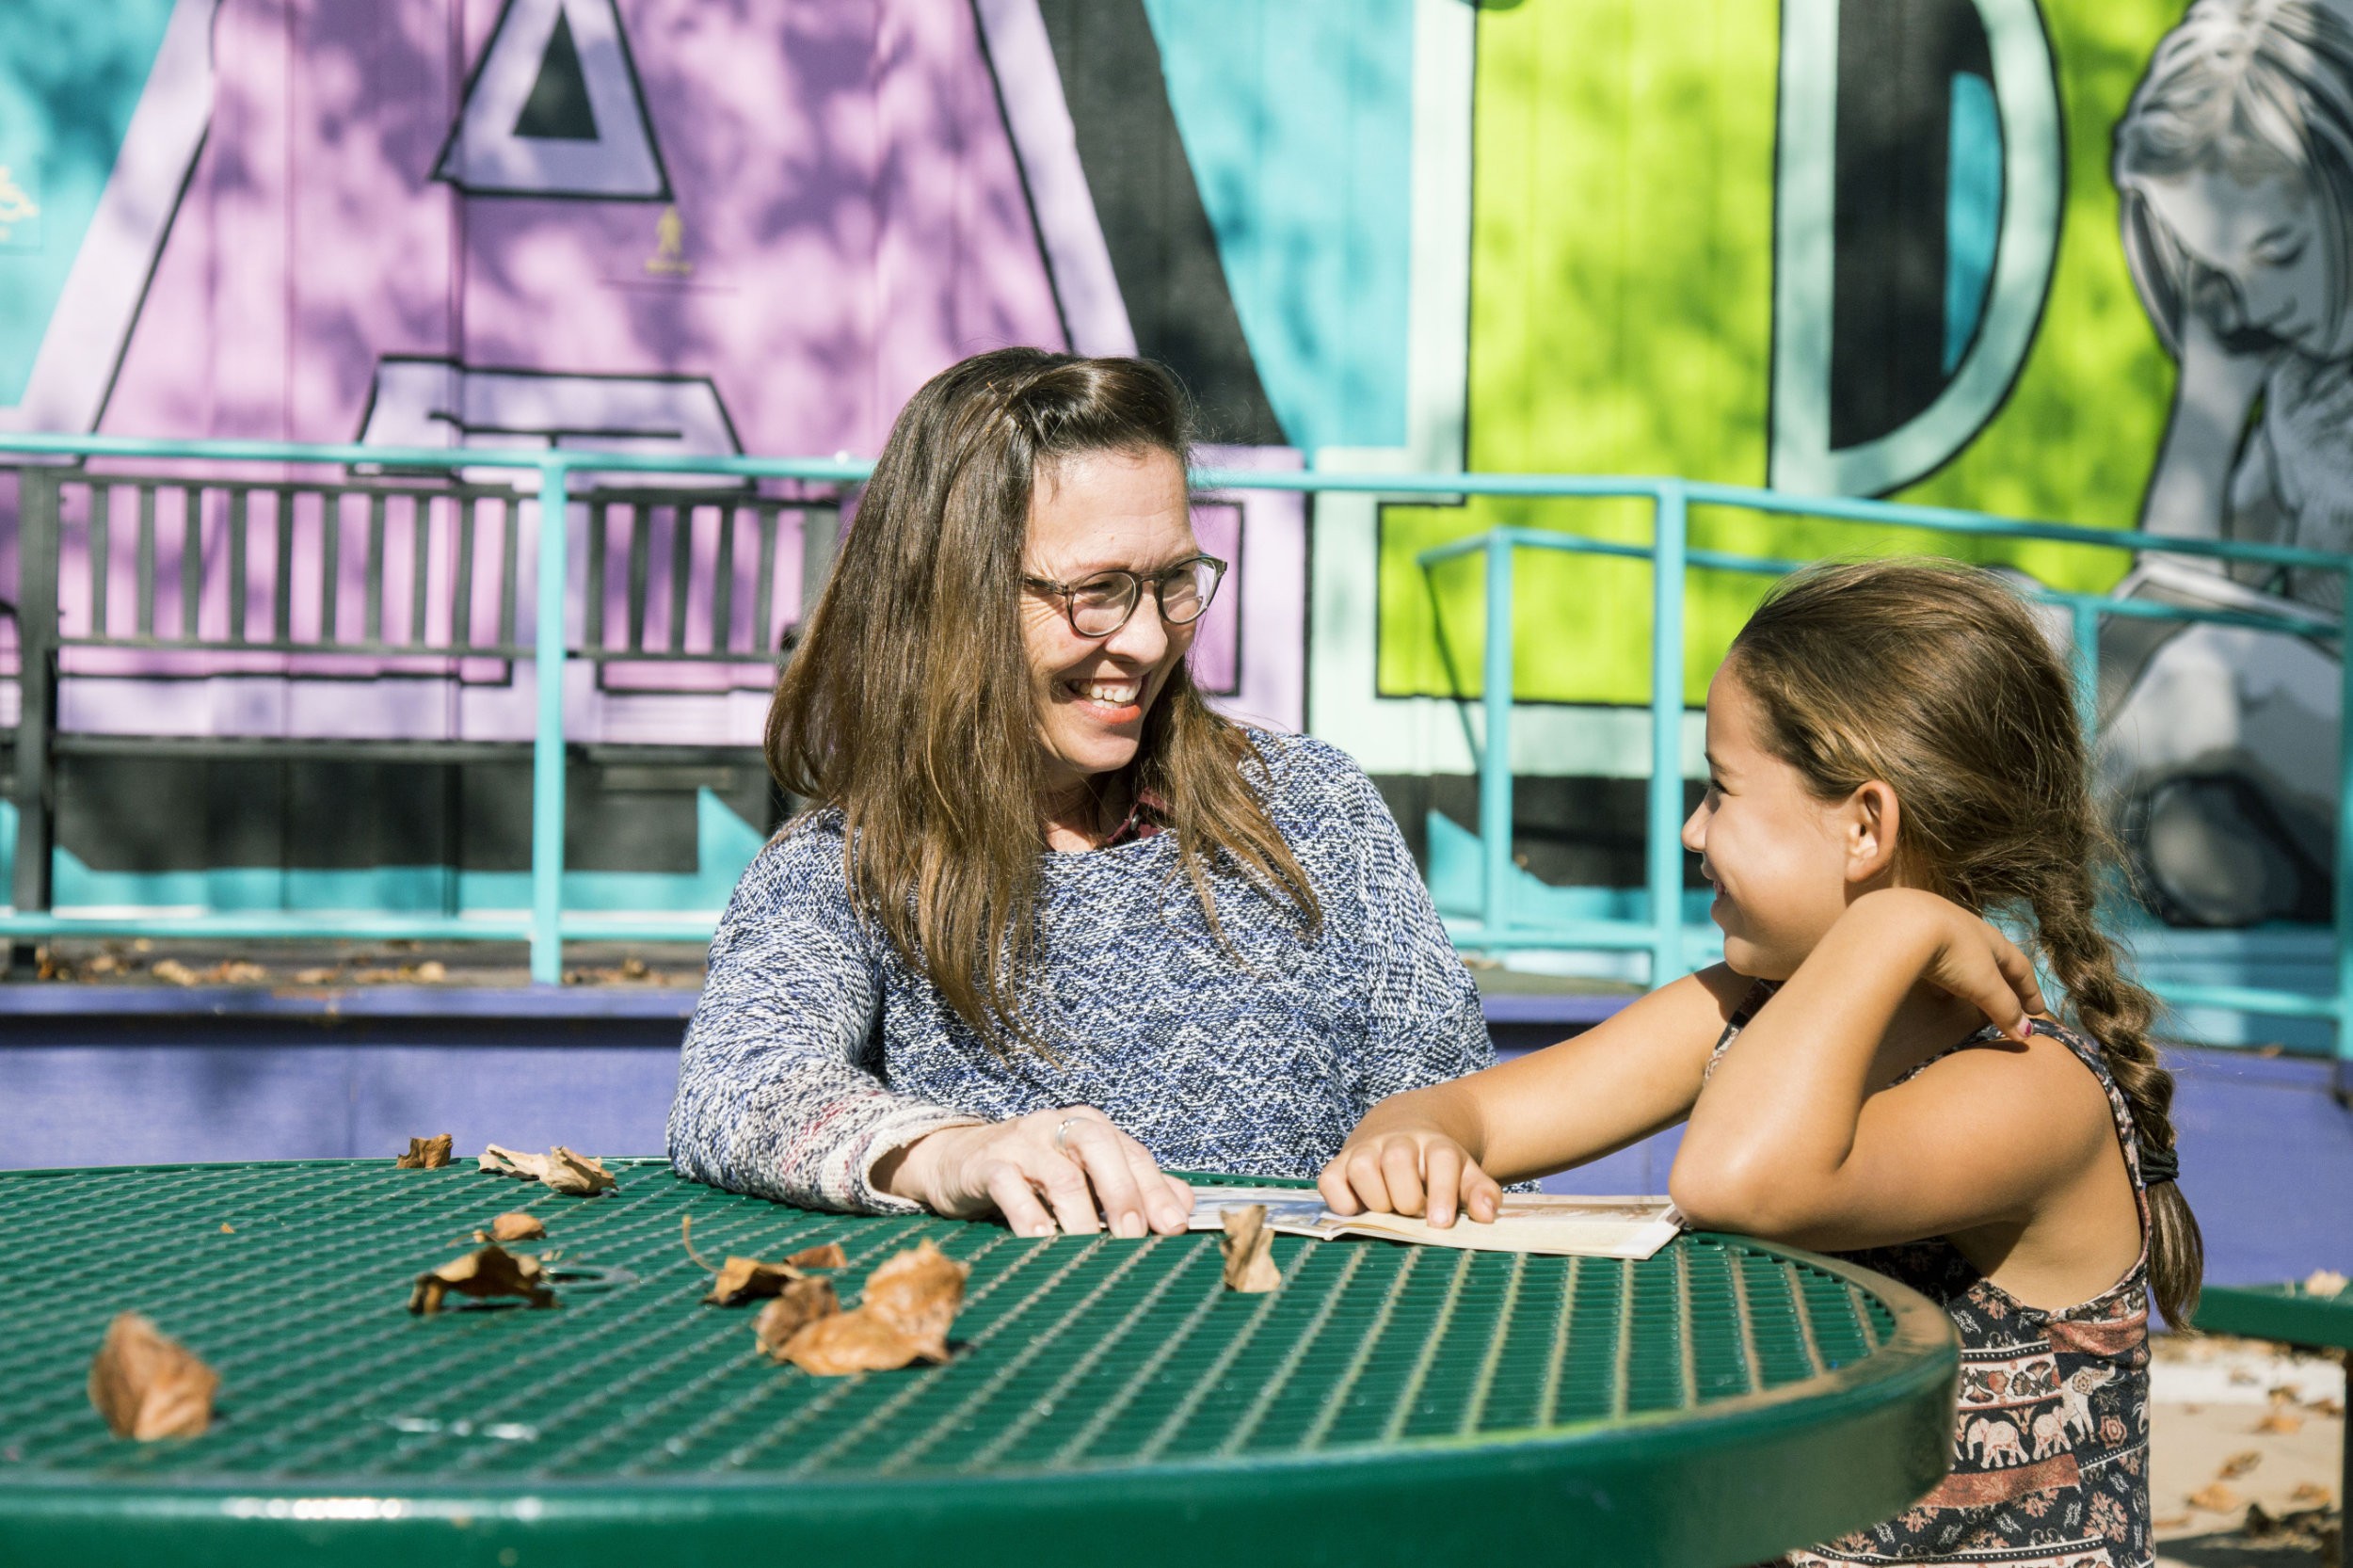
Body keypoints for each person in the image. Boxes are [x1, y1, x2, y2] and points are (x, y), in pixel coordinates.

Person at [1322, 560, 2202, 1567]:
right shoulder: (1742, 1010)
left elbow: (1738, 1180)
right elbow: (1457, 1115)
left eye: (1719, 788)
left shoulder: (2027, 1085)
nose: (1693, 830)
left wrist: (1893, 925)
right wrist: (1409, 1146)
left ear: (1865, 826)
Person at [667, 347, 1493, 1238]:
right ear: (952, 594)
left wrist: (1437, 1154)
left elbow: (1449, 1094)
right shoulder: (845, 868)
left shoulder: (1314, 807)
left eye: (1175, 581)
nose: (1146, 640)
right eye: (1097, 592)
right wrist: (952, 1154)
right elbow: (738, 1088)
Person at [2103, 0, 2353, 924]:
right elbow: (2183, 588)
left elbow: (2210, 652)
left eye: (2275, 252)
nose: (2249, 295)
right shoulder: (2302, 382)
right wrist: (2209, 387)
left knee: (2213, 676)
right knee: (2031, 624)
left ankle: (2000, 903)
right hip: (2319, 762)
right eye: (2215, 264)